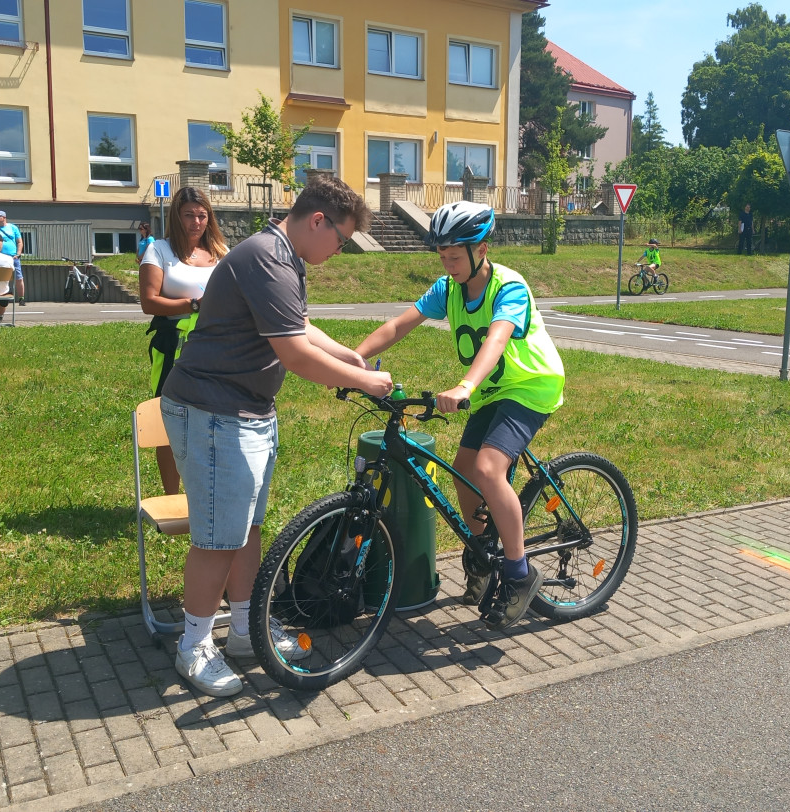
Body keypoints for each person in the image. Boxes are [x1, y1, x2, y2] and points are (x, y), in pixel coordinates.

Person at [160, 176, 392, 697]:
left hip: (246, 413)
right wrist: (365, 379)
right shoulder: (268, 256)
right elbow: (293, 353)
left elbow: (299, 325)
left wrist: (346, 355)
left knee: (247, 530)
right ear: (318, 221)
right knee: (218, 539)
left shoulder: (282, 256)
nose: (340, 249)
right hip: (215, 411)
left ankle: (245, 631)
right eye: (341, 238)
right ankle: (193, 645)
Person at [355, 201, 566, 630]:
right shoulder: (448, 289)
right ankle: (485, 549)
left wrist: (465, 385)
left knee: (489, 468)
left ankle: (519, 571)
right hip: (492, 391)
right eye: (442, 255)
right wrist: (353, 360)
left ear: (482, 248)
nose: (446, 262)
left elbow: (496, 340)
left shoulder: (509, 286)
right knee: (463, 470)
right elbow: (399, 325)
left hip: (530, 386)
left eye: (454, 254)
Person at [140, 186, 227, 494]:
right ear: (177, 216)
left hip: (215, 345)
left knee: (212, 417)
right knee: (169, 417)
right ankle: (171, 496)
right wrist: (192, 305)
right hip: (172, 342)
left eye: (202, 216)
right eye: (189, 215)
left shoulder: (220, 253)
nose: (196, 222)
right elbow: (148, 302)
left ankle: (204, 493)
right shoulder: (159, 250)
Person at [0, 210, 26, 305]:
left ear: (4, 217)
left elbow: (19, 242)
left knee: (19, 278)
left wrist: (18, 253)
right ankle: (1, 297)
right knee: (1, 277)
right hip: (0, 257)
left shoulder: (13, 227)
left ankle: (21, 299)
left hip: (13, 257)